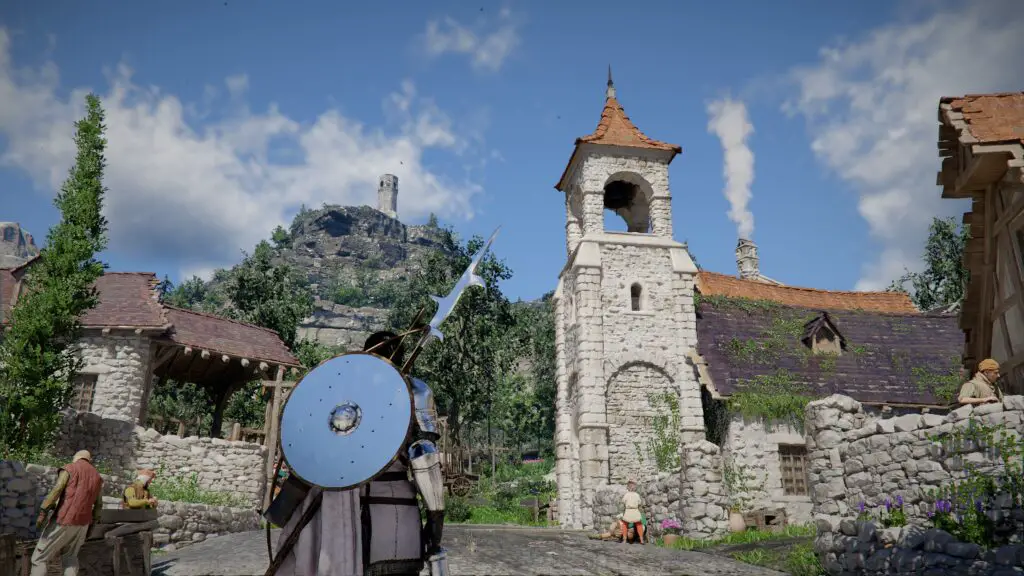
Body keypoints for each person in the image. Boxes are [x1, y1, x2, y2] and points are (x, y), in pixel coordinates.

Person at [271, 330, 448, 576]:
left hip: (340, 521)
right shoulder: (414, 391)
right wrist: (436, 520)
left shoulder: (344, 397)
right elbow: (423, 453)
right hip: (395, 517)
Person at [30, 449, 104, 576]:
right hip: (83, 524)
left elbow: (57, 489)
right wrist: (93, 524)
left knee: (40, 558)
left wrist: (43, 512)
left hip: (64, 520)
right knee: (70, 558)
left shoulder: (70, 468)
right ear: (88, 460)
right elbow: (99, 505)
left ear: (76, 457)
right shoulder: (97, 476)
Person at [620, 479, 645, 544]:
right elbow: (639, 503)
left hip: (628, 511)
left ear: (628, 487)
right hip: (635, 511)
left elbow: (623, 501)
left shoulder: (626, 495)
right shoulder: (637, 495)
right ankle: (641, 539)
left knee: (625, 524)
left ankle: (624, 539)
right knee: (639, 524)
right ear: (634, 488)